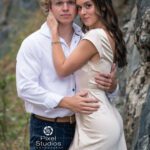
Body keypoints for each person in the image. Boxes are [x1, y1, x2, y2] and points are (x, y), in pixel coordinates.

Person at [16, 0, 118, 149]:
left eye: (70, 2)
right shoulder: (33, 43)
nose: (65, 8)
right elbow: (25, 88)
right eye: (59, 3)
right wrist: (65, 102)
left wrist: (113, 87)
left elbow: (101, 87)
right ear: (49, 7)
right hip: (48, 128)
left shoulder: (87, 39)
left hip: (85, 126)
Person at [47, 0, 127, 149]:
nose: (82, 12)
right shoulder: (109, 33)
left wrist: (54, 33)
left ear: (102, 6)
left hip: (97, 123)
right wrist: (113, 85)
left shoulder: (94, 36)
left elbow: (63, 70)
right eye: (79, 7)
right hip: (101, 116)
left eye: (88, 6)